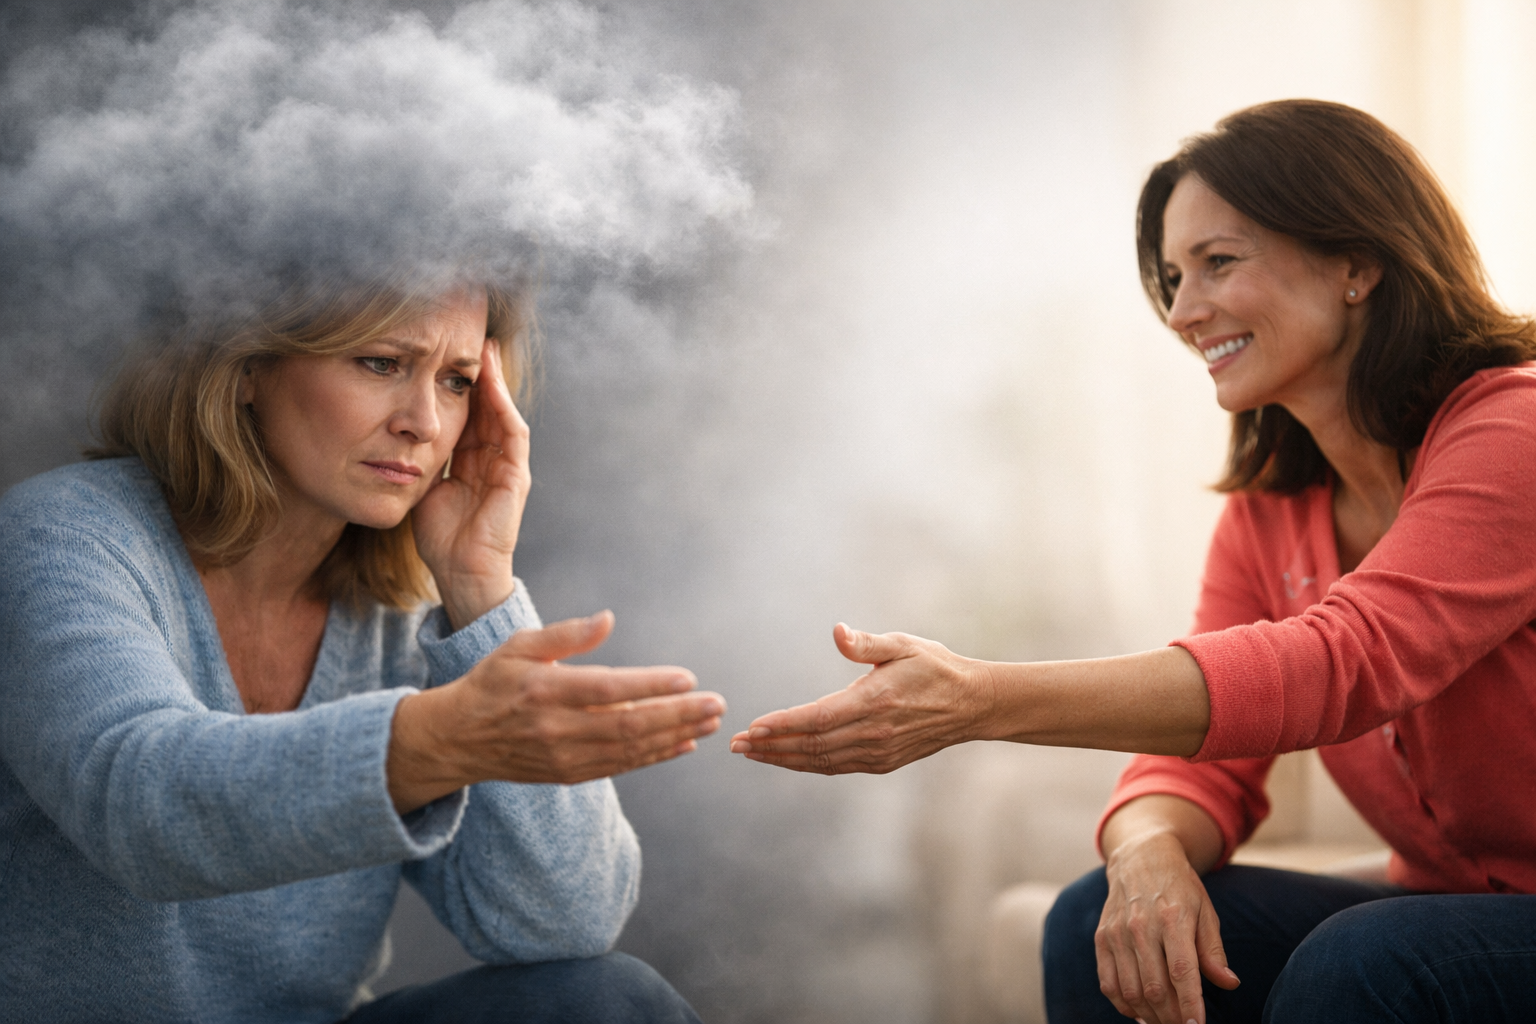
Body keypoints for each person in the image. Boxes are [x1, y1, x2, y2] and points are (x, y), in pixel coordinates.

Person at [729, 99, 1536, 1023]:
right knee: (1085, 919)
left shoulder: (1513, 427)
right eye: (1170, 276)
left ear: (1356, 263)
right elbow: (1204, 764)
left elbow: (1341, 664)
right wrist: (1146, 848)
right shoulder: (1267, 515)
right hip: (1456, 909)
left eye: (1218, 262)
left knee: (1369, 965)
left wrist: (979, 700)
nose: (1184, 311)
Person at [0, 273, 725, 1023]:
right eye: (381, 363)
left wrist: (480, 588)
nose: (424, 422)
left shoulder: (399, 615)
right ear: (245, 364)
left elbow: (564, 922)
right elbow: (142, 810)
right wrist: (431, 744)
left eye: (456, 382)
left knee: (608, 999)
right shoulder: (58, 540)